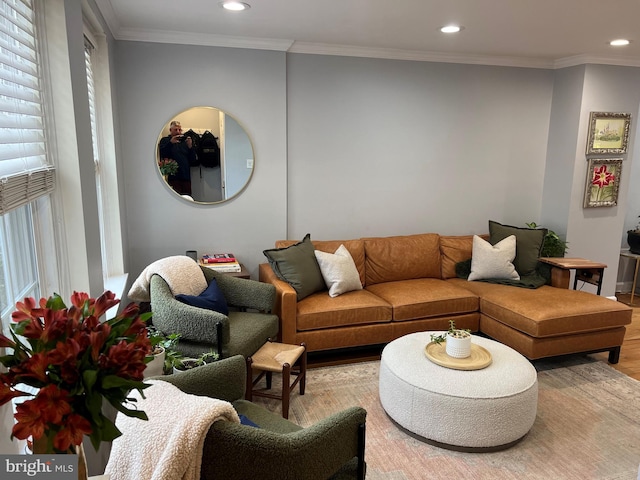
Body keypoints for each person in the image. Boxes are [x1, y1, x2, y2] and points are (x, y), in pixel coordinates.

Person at [158, 120, 196, 195]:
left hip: (186, 176)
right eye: (175, 129)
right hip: (173, 177)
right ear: (170, 130)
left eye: (179, 129)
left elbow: (193, 160)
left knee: (187, 199)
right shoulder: (165, 140)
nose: (178, 132)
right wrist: (170, 143)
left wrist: (190, 147)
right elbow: (163, 154)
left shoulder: (185, 142)